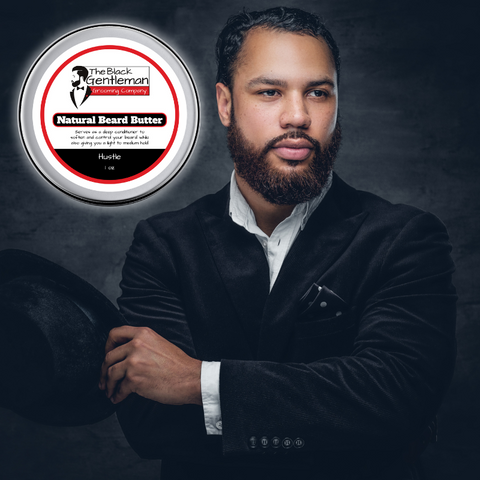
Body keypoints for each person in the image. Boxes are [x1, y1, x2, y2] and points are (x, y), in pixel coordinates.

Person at [99, 7, 456, 480]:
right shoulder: (164, 245)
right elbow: (152, 426)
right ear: (225, 104)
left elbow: (397, 399)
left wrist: (199, 383)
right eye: (270, 92)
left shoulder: (405, 237)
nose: (298, 116)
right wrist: (339, 425)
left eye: (318, 92)